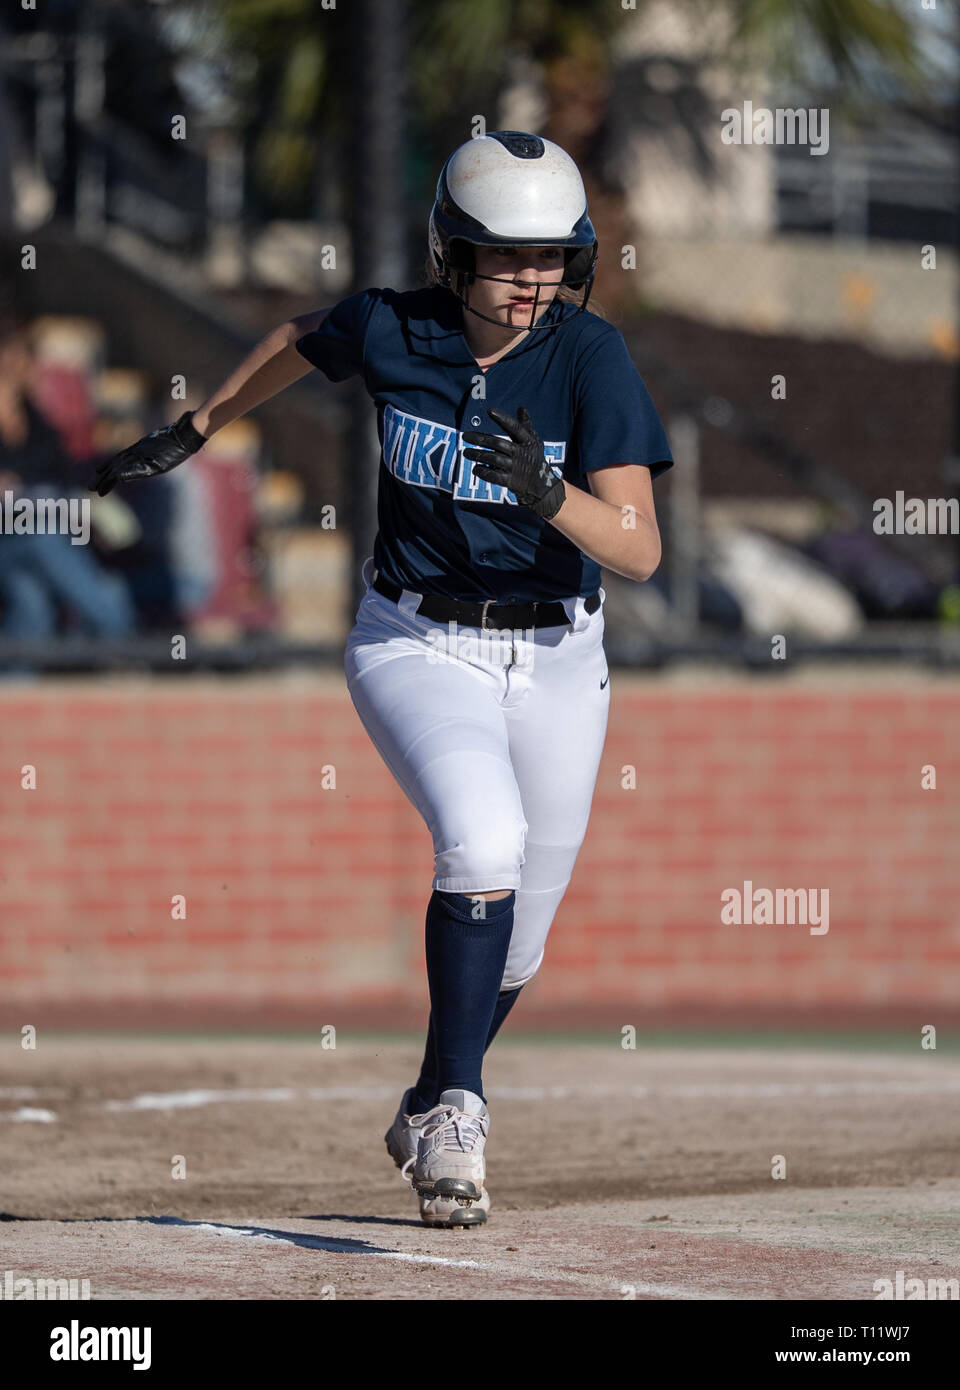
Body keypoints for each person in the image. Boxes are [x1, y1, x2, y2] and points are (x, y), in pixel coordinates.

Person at [89, 130, 674, 1228]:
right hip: (416, 641)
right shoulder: (395, 326)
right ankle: (461, 1108)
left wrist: (548, 496)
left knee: (523, 937)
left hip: (559, 657)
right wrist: (197, 425)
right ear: (451, 254)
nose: (533, 278)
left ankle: (421, 1095)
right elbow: (296, 336)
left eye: (552, 256)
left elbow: (639, 550)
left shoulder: (591, 357)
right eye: (508, 256)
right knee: (480, 842)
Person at [0, 316, 136, 660]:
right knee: (44, 538)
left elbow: (61, 469)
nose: (22, 364)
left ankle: (16, 688)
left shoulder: (34, 417)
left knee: (31, 602)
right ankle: (121, 636)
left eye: (23, 356)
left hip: (38, 523)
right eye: (13, 355)